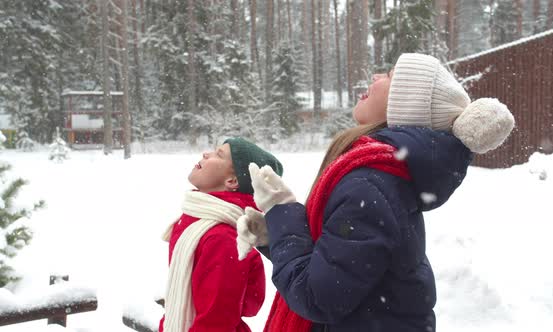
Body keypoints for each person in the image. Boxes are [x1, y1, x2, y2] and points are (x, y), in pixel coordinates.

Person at [237, 53, 515, 332]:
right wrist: (278, 235)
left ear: (405, 105)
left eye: (390, 75)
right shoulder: (380, 177)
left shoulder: (370, 186)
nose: (375, 77)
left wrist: (281, 210)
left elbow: (318, 297)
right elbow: (338, 268)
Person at [159, 137, 283, 332]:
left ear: (232, 181)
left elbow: (215, 322)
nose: (206, 154)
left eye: (219, 154)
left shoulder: (221, 239)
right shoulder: (196, 222)